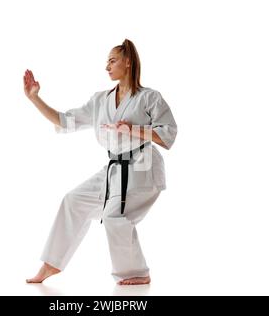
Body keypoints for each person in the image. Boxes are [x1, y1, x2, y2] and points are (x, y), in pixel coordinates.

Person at [23, 39, 177, 285]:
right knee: (73, 200)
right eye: (107, 62)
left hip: (143, 167)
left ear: (128, 62)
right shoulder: (100, 100)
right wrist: (34, 98)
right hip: (114, 168)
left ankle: (137, 272)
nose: (107, 66)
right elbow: (64, 121)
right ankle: (51, 264)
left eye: (112, 60)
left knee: (114, 216)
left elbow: (168, 135)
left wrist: (132, 129)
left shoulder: (149, 98)